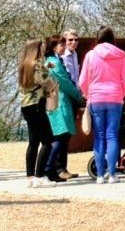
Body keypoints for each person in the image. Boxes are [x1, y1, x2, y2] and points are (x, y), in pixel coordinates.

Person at [79, 27, 125, 183]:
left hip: (96, 98)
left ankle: (100, 175)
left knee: (99, 137)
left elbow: (82, 80)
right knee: (112, 136)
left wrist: (88, 94)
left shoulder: (90, 55)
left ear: (98, 38)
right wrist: (121, 92)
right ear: (113, 38)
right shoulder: (121, 56)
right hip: (115, 97)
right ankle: (113, 174)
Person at [43, 36, 82, 182]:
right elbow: (64, 82)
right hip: (59, 102)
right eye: (60, 44)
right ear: (53, 47)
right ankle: (48, 168)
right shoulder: (53, 63)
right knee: (61, 135)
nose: (63, 46)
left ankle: (53, 170)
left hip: (56, 100)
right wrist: (78, 95)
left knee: (61, 136)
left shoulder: (52, 61)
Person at [17, 40, 53, 186]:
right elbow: (49, 84)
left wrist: (46, 68)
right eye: (42, 48)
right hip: (37, 105)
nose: (43, 50)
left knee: (33, 142)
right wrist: (49, 74)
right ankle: (39, 176)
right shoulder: (37, 65)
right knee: (47, 141)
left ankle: (30, 176)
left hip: (26, 106)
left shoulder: (24, 66)